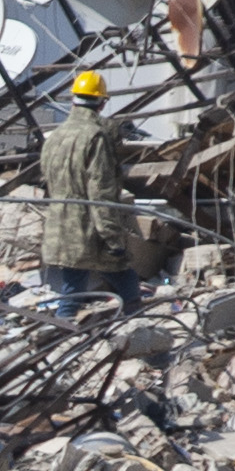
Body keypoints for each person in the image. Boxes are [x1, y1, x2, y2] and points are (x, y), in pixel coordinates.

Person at [36, 68, 138, 316]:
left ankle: (61, 342)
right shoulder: (96, 136)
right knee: (128, 287)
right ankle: (149, 346)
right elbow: (100, 192)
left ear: (73, 100)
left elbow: (47, 182)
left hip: (61, 229)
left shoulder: (54, 136)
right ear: (102, 103)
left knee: (72, 293)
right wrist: (113, 238)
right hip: (90, 231)